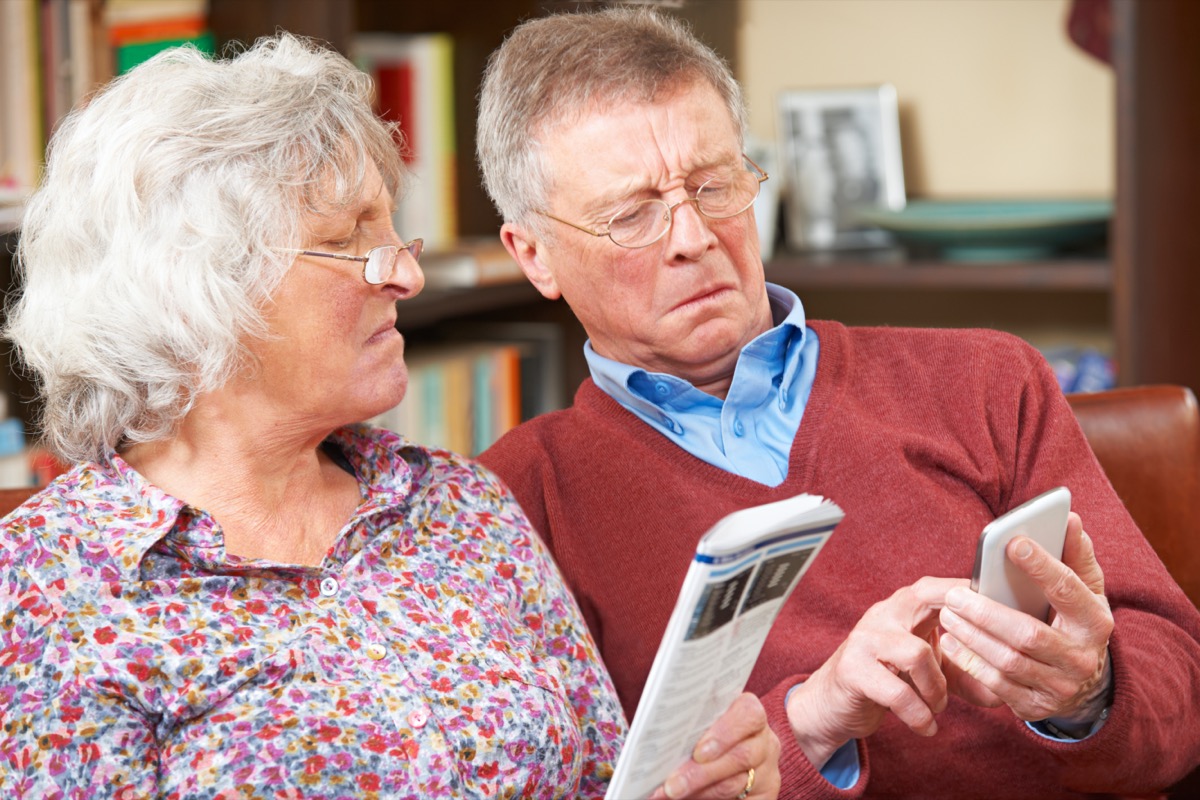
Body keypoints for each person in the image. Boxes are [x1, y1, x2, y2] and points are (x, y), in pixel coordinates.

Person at [0, 32, 774, 800]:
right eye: (348, 241)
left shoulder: (463, 507)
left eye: (392, 230)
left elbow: (603, 779)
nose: (404, 271)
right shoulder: (46, 593)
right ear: (199, 293)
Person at [475, 7, 1200, 798]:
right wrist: (813, 722)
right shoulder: (515, 501)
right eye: (632, 214)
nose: (694, 237)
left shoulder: (989, 381)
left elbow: (1183, 688)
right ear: (535, 254)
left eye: (715, 184)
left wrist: (1090, 696)